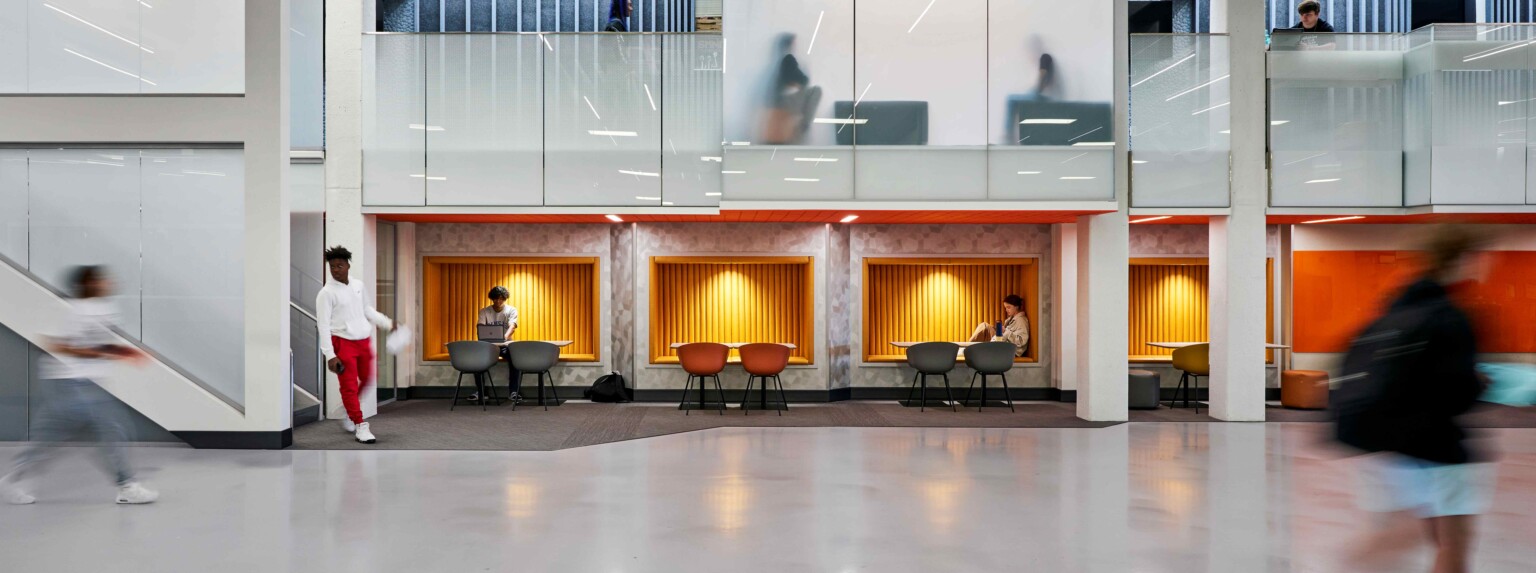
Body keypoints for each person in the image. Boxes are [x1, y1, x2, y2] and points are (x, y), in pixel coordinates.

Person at [1338, 226, 1493, 573]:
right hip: (1438, 447)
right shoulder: (1450, 316)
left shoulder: (1399, 305)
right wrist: (1480, 383)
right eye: (1480, 257)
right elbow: (1456, 392)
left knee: (1406, 532)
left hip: (1391, 445)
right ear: (1462, 259)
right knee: (1452, 542)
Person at [0, 266, 159, 505]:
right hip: (69, 382)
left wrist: (124, 351)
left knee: (51, 437)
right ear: (89, 283)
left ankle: (13, 479)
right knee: (111, 427)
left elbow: (103, 345)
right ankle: (126, 485)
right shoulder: (73, 310)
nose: (108, 283)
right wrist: (97, 354)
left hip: (88, 383)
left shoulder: (105, 309)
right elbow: (57, 345)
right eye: (102, 280)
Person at [317, 246, 401, 445]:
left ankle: (349, 410)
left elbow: (367, 310)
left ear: (348, 265)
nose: (336, 269)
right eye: (332, 266)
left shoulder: (358, 285)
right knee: (349, 387)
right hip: (342, 343)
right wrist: (330, 355)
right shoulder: (326, 293)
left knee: (369, 378)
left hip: (363, 341)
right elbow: (323, 325)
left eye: (339, 265)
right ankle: (360, 424)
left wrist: (387, 323)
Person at [760, 33, 822, 144]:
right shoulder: (788, 59)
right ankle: (804, 125)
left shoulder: (777, 67)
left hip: (782, 102)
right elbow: (803, 79)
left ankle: (803, 126)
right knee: (816, 91)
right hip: (786, 102)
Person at [472, 286, 522, 404]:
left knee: (516, 358)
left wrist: (503, 338)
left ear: (505, 299)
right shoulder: (484, 311)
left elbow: (512, 326)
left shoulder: (511, 310)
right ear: (492, 299)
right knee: (476, 360)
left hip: (505, 345)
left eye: (501, 299)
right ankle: (481, 391)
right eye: (496, 299)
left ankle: (513, 391)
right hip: (488, 346)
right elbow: (480, 327)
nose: (498, 301)